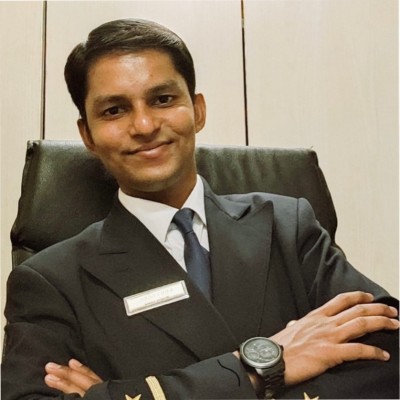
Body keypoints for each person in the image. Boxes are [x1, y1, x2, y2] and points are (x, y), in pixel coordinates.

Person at [2, 18, 399, 400]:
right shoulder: (50, 281)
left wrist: (118, 393)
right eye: (114, 110)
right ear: (87, 135)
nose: (144, 125)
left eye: (162, 99)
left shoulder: (288, 226)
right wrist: (261, 367)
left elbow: (389, 358)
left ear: (198, 110)